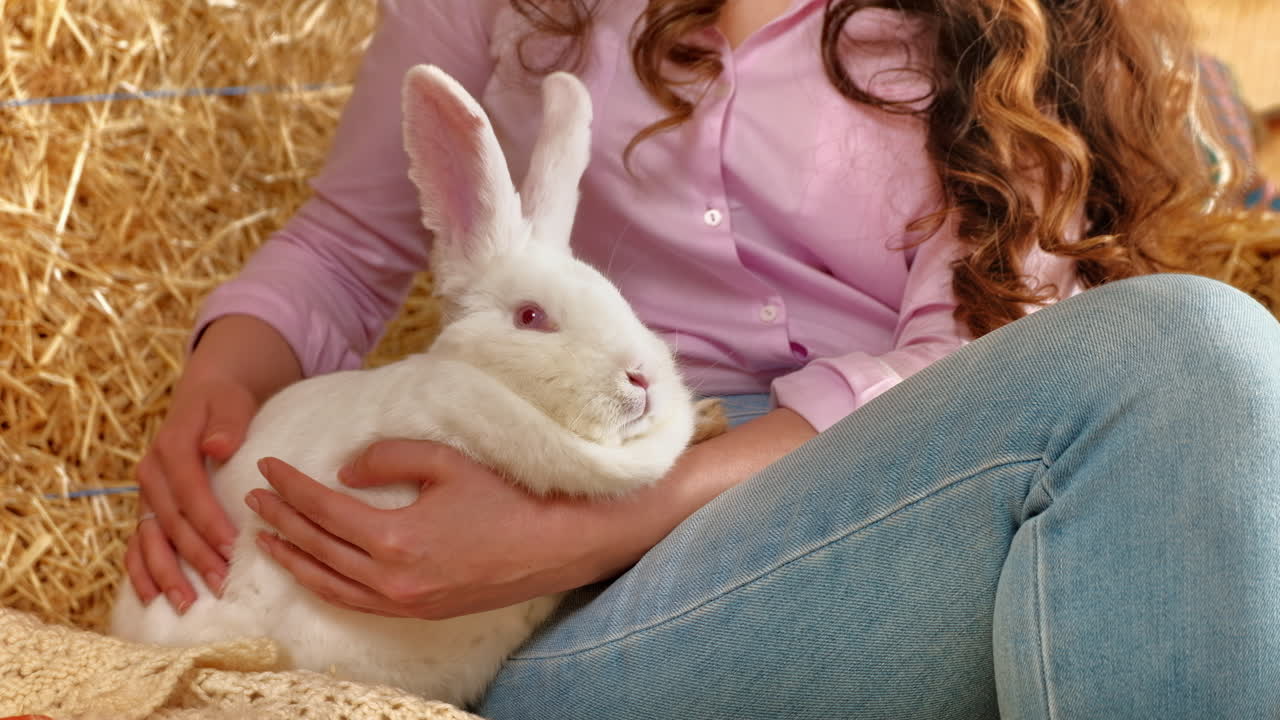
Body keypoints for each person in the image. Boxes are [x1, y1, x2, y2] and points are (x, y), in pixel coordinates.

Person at [125, 0, 1280, 717]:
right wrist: (221, 390)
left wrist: (593, 518)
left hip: (844, 526)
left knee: (1193, 354)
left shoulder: (1008, 21)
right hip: (532, 613)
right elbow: (351, 240)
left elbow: (973, 343)